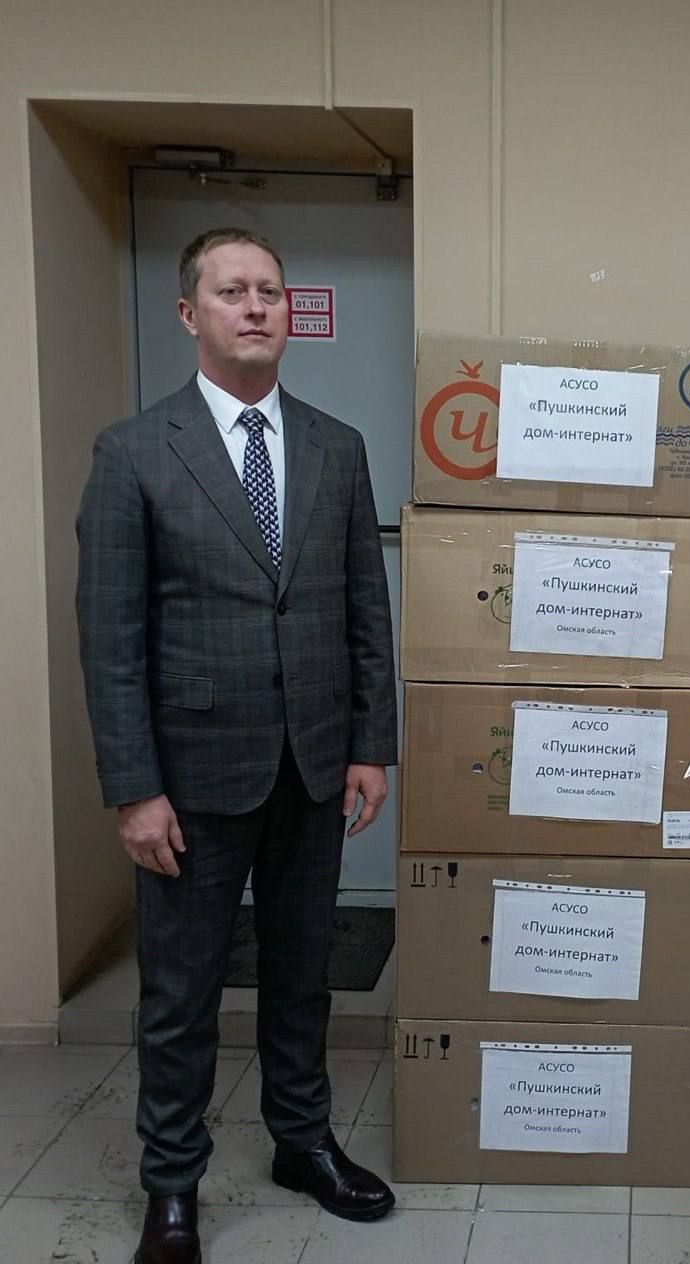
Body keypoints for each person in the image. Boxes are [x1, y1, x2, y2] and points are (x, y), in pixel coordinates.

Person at [76, 228, 399, 1264]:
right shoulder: (133, 451)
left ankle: (302, 1141)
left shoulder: (337, 445)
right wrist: (133, 788)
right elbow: (110, 636)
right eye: (232, 291)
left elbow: (363, 606)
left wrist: (369, 745)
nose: (256, 306)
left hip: (313, 766)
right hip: (190, 780)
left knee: (302, 973)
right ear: (190, 313)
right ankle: (172, 1182)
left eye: (270, 290)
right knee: (181, 993)